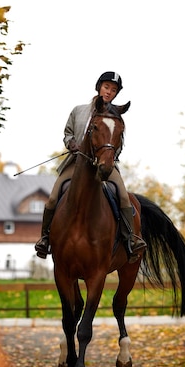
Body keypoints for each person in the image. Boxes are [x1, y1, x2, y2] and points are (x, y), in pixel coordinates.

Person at [34, 71, 147, 263]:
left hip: (104, 166)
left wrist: (108, 158)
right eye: (106, 87)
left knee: (122, 196)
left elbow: (118, 144)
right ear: (99, 87)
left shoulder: (115, 116)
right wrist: (71, 145)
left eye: (113, 90)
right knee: (53, 198)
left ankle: (131, 239)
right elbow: (68, 133)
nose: (109, 92)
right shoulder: (79, 111)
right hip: (77, 164)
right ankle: (45, 238)